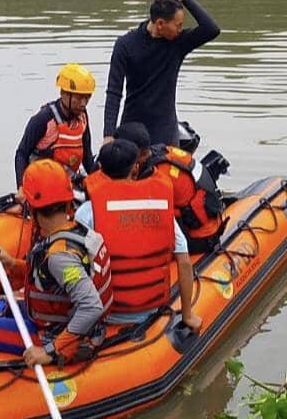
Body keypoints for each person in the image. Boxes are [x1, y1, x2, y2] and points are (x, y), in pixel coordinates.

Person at [0, 160, 112, 365]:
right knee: (2, 306)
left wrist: (50, 351)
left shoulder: (60, 256)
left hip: (55, 336)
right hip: (61, 320)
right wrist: (13, 264)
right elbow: (53, 277)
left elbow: (91, 306)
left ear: (33, 208)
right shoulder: (78, 231)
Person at [79, 140, 202, 330]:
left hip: (104, 313)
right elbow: (184, 262)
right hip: (152, 309)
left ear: (100, 168)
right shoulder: (158, 204)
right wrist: (188, 315)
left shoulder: (86, 212)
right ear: (135, 168)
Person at [103, 0, 220, 148]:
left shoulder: (178, 43)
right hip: (132, 129)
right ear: (160, 24)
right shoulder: (125, 45)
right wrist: (108, 134)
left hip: (165, 131)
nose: (180, 30)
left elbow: (211, 29)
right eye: (178, 25)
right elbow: (114, 92)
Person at [114, 122, 228, 254]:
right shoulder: (161, 152)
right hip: (204, 223)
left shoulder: (155, 176)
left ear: (137, 151)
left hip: (198, 238)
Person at [15, 63, 97, 187]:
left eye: (87, 98)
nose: (83, 103)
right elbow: (21, 154)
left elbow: (87, 156)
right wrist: (21, 187)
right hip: (42, 184)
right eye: (79, 98)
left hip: (69, 182)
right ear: (64, 93)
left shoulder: (83, 117)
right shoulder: (43, 119)